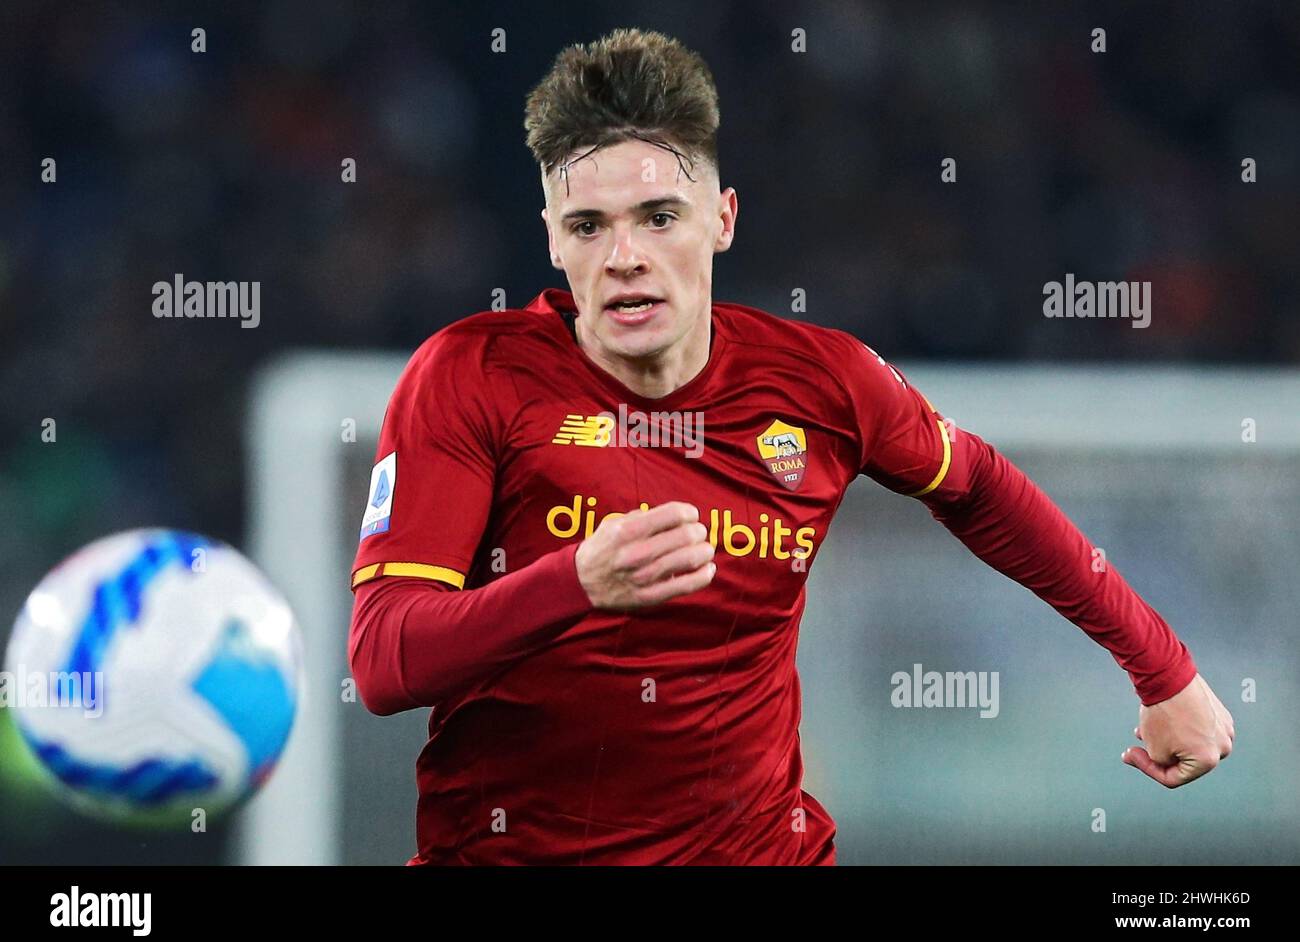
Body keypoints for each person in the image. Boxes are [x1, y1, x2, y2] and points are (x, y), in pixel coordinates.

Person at [348, 27, 1234, 865]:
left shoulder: (822, 383)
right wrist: (575, 583)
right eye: (589, 226)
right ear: (552, 238)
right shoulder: (471, 377)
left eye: (660, 216)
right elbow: (386, 660)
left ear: (722, 218)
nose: (624, 255)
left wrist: (1162, 669)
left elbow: (980, 486)